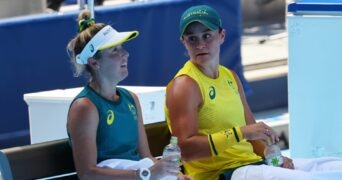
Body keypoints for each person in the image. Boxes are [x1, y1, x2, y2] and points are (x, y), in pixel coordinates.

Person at [165, 4, 342, 180]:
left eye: (207, 36)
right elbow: (185, 150)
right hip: (222, 173)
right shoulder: (184, 85)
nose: (200, 44)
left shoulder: (230, 76)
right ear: (183, 42)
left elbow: (253, 135)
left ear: (222, 36)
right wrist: (240, 133)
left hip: (252, 165)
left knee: (333, 167)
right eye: (192, 39)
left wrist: (275, 158)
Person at [66, 10, 191, 179]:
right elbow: (87, 174)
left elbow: (146, 157)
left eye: (122, 48)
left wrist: (176, 176)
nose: (125, 54)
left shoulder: (131, 98)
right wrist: (145, 174)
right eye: (114, 50)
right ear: (94, 62)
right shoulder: (85, 107)